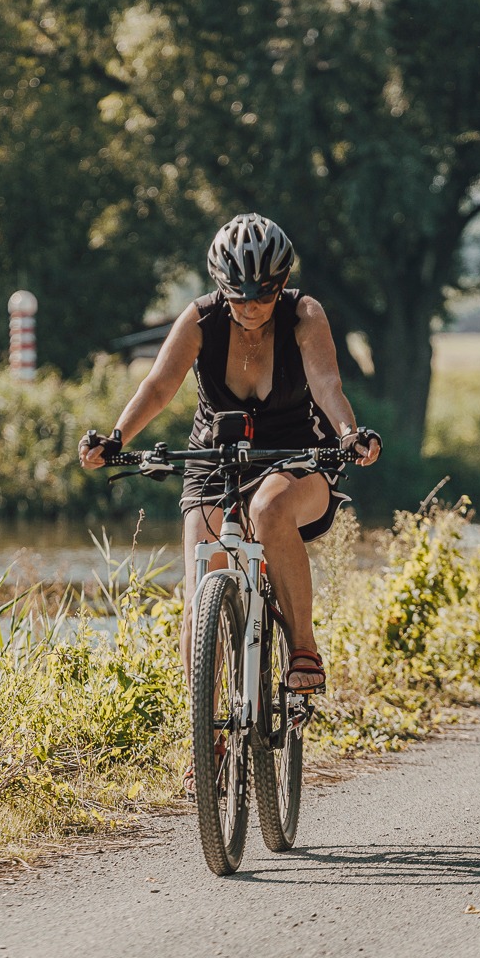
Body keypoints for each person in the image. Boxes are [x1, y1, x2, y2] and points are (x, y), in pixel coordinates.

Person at [78, 214, 381, 693]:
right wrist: (116, 439)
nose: (252, 306)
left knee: (269, 509)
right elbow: (158, 386)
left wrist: (348, 433)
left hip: (296, 455)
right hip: (214, 460)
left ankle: (303, 647)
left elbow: (327, 385)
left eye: (264, 294)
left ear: (281, 284)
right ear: (221, 287)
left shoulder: (304, 315)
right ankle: (207, 739)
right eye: (239, 296)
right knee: (202, 587)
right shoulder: (201, 318)